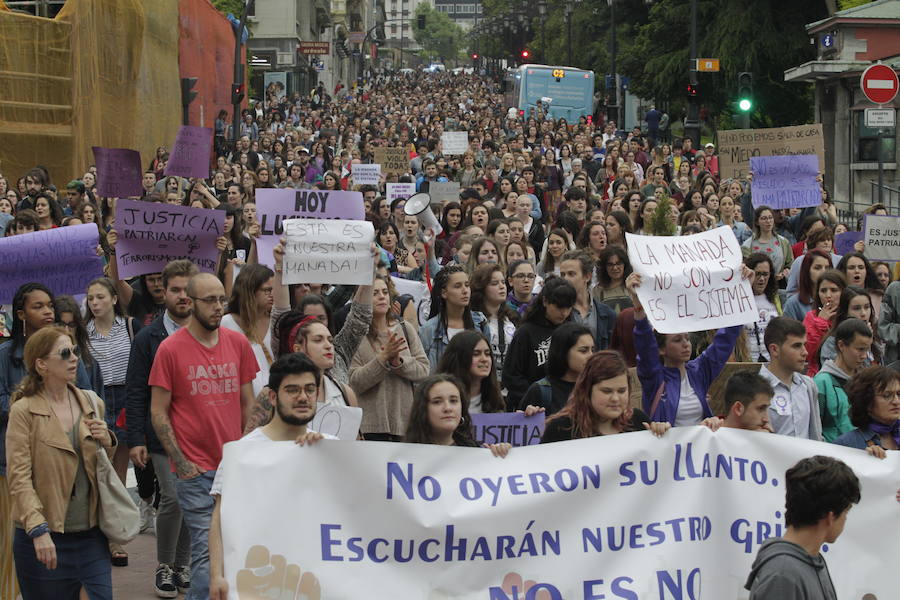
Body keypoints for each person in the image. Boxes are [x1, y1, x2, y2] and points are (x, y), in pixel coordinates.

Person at [149, 272, 260, 600]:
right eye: (210, 300)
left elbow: (248, 402)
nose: (218, 307)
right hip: (195, 471)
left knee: (233, 549)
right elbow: (158, 411)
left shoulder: (237, 343)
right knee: (205, 553)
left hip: (233, 467)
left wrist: (244, 451)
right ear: (191, 303)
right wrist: (181, 463)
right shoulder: (170, 350)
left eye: (221, 300)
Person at [208, 353, 333, 600]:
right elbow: (219, 519)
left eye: (310, 390)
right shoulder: (242, 453)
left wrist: (325, 457)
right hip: (261, 580)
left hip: (316, 580)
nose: (303, 397)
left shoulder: (330, 449)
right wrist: (216, 575)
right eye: (292, 390)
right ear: (274, 397)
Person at [6, 327, 116, 599]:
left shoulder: (91, 402)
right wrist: (38, 530)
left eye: (75, 351)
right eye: (65, 353)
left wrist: (108, 441)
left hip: (91, 535)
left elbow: (101, 468)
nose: (74, 358)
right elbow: (19, 477)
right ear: (41, 365)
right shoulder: (24, 411)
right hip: (43, 537)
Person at [125, 260, 197, 597]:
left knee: (190, 499)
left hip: (198, 435)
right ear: (163, 292)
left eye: (188, 290)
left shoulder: (207, 332)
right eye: (176, 290)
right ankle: (164, 566)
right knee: (172, 498)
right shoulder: (147, 338)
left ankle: (182, 566)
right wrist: (136, 438)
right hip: (159, 435)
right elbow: (136, 389)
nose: (183, 296)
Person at [626, 272, 742, 426]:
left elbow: (725, 341)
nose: (686, 344)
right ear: (661, 350)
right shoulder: (654, 377)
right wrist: (637, 304)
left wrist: (741, 290)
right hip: (667, 448)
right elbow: (645, 345)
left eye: (687, 338)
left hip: (699, 448)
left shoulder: (698, 371)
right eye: (677, 340)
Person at [745, 456, 860, 599]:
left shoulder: (808, 560)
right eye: (846, 511)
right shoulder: (782, 574)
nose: (845, 519)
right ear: (830, 517)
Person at [349, 275, 430, 441]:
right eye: (374, 293)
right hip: (369, 427)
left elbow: (423, 370)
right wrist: (382, 358)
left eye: (385, 292)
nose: (381, 296)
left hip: (404, 426)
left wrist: (398, 363)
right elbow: (354, 382)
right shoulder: (355, 334)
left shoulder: (405, 328)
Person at [541, 350, 670, 442]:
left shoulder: (637, 421)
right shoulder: (561, 428)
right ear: (587, 390)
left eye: (621, 391)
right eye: (607, 391)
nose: (615, 398)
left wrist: (661, 435)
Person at [502, 277, 576, 409]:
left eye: (568, 307)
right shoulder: (526, 332)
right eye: (559, 307)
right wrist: (534, 397)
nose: (564, 313)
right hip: (532, 409)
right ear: (545, 301)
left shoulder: (572, 332)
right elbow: (511, 375)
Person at [402, 374, 510, 457]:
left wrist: (500, 455)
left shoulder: (476, 453)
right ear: (423, 409)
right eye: (437, 402)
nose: (448, 408)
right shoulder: (402, 459)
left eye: (453, 401)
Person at [757, 317, 823, 441]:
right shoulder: (754, 388)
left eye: (805, 345)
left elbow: (816, 434)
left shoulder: (808, 385)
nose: (805, 352)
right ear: (774, 349)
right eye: (796, 346)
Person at [220, 264, 279, 398]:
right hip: (241, 402)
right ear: (250, 291)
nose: (273, 294)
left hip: (275, 401)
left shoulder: (276, 322)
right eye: (267, 290)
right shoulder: (226, 323)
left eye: (274, 290)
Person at [419, 265, 489, 370]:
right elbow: (423, 372)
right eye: (457, 286)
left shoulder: (480, 322)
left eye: (467, 285)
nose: (465, 290)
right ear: (444, 293)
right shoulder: (429, 330)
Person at [814, 318, 873, 443]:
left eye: (867, 350)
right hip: (834, 454)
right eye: (860, 349)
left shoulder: (866, 379)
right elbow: (815, 428)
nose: (864, 356)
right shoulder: (822, 382)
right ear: (841, 345)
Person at [519, 323, 593, 415]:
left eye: (592, 349)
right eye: (583, 351)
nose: (591, 356)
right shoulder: (541, 390)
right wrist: (529, 415)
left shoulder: (594, 387)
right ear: (563, 352)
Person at [469, 264, 518, 385]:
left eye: (503, 282)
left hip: (509, 384)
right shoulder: (473, 320)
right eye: (494, 283)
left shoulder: (513, 317)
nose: (502, 287)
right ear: (482, 288)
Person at [834, 365, 900, 454]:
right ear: (867, 400)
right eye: (886, 395)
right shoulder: (845, 445)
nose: (896, 401)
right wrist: (866, 460)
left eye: (899, 394)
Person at [435, 331, 504, 414]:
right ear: (459, 359)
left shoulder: (494, 399)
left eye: (487, 354)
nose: (484, 359)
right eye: (476, 354)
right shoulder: (437, 397)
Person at [559, 250, 615, 350]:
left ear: (587, 276)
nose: (565, 279)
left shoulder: (607, 313)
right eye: (562, 274)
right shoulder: (557, 312)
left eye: (571, 274)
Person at [744, 253, 782, 362]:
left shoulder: (775, 298)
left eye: (765, 274)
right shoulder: (740, 299)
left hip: (773, 361)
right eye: (757, 274)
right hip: (748, 361)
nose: (761, 279)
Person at [783, 249, 831, 322]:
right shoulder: (793, 304)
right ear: (807, 271)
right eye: (817, 268)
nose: (824, 272)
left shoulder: (837, 299)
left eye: (827, 268)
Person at [592, 246, 633, 314]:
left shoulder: (633, 286)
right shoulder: (598, 290)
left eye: (618, 263)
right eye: (610, 264)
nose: (615, 268)